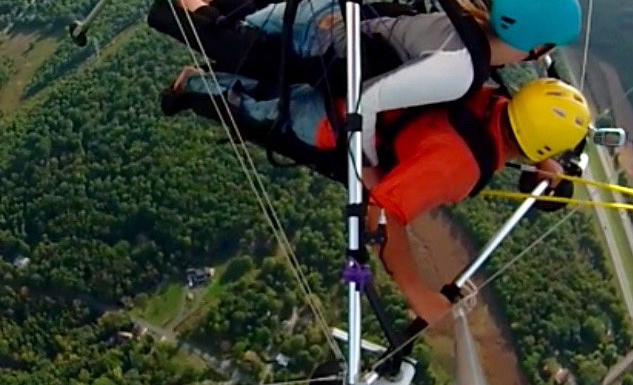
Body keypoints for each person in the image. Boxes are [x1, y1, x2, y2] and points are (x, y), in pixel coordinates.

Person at [160, 66, 592, 324]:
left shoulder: (493, 97)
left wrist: (542, 162)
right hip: (335, 124)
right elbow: (382, 213)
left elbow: (511, 129)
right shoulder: (457, 167)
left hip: (363, 94)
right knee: (255, 109)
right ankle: (192, 86)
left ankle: (216, 74)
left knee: (274, 88)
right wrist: (417, 293)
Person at [148, 0, 582, 165]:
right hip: (329, 48)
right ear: (536, 45)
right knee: (243, 45)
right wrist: (367, 159)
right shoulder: (461, 68)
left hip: (337, 17)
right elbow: (370, 99)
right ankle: (179, 2)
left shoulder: (469, 18)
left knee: (260, 14)